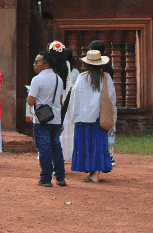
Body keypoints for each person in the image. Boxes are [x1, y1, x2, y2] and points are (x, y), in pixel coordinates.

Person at [68, 49, 117, 182]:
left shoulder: (82, 78)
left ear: (87, 65)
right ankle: (94, 174)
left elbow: (74, 99)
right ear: (100, 64)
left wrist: (75, 115)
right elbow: (111, 98)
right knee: (98, 145)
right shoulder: (106, 78)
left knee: (86, 145)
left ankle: (92, 173)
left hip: (83, 118)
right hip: (99, 118)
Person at [27, 51, 66, 187]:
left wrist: (29, 95)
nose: (34, 64)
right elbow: (60, 101)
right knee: (56, 147)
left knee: (44, 149)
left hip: (42, 120)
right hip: (55, 119)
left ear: (46, 65)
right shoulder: (58, 79)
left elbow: (31, 101)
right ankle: (60, 177)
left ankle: (46, 178)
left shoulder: (36, 79)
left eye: (37, 62)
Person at [49, 41, 79, 162]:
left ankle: (52, 155)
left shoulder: (52, 70)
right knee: (67, 128)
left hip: (58, 102)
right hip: (68, 102)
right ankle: (65, 154)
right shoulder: (73, 71)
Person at [89, 39, 117, 169]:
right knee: (110, 129)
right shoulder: (108, 68)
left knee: (97, 131)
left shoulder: (91, 72)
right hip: (107, 102)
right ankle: (110, 155)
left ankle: (99, 155)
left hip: (94, 104)